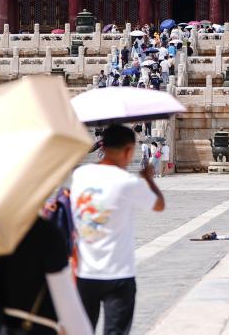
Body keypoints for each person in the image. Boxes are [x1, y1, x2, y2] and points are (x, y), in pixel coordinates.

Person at [71, 124, 165, 334]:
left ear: (103, 146)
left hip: (84, 274)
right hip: (119, 274)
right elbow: (159, 205)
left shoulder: (80, 175)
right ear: (128, 150)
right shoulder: (128, 182)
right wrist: (149, 180)